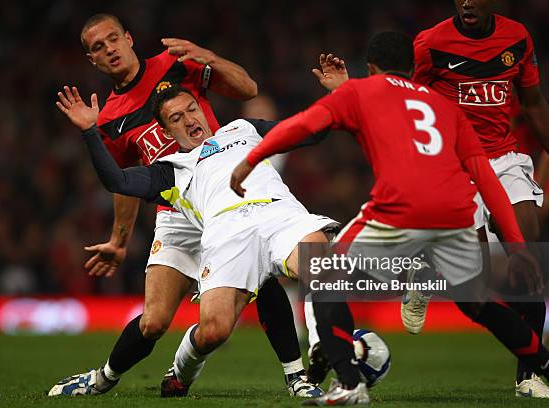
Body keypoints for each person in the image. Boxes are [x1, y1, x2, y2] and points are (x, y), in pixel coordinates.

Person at [230, 31, 549, 406]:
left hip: (402, 206)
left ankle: (349, 383)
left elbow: (300, 126)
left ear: (372, 67)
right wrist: (516, 245)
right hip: (457, 212)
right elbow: (485, 176)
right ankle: (542, 363)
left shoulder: (361, 92)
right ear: (414, 70)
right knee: (476, 301)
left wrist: (251, 159)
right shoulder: (443, 105)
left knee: (324, 273)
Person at [48, 13, 320, 398]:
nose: (109, 49)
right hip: (176, 209)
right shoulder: (107, 116)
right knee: (154, 322)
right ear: (91, 60)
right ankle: (101, 379)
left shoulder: (175, 66)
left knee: (263, 274)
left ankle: (295, 375)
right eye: (97, 47)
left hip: (221, 199)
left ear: (128, 38)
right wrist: (119, 239)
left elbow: (247, 89)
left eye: (113, 39)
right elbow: (124, 181)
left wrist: (208, 56)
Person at [402, 0, 549, 397]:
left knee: (529, 259)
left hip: (503, 160)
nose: (466, 1)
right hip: (455, 165)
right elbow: (401, 97)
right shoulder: (430, 43)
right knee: (477, 284)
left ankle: (529, 376)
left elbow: (533, 102)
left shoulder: (516, 37)